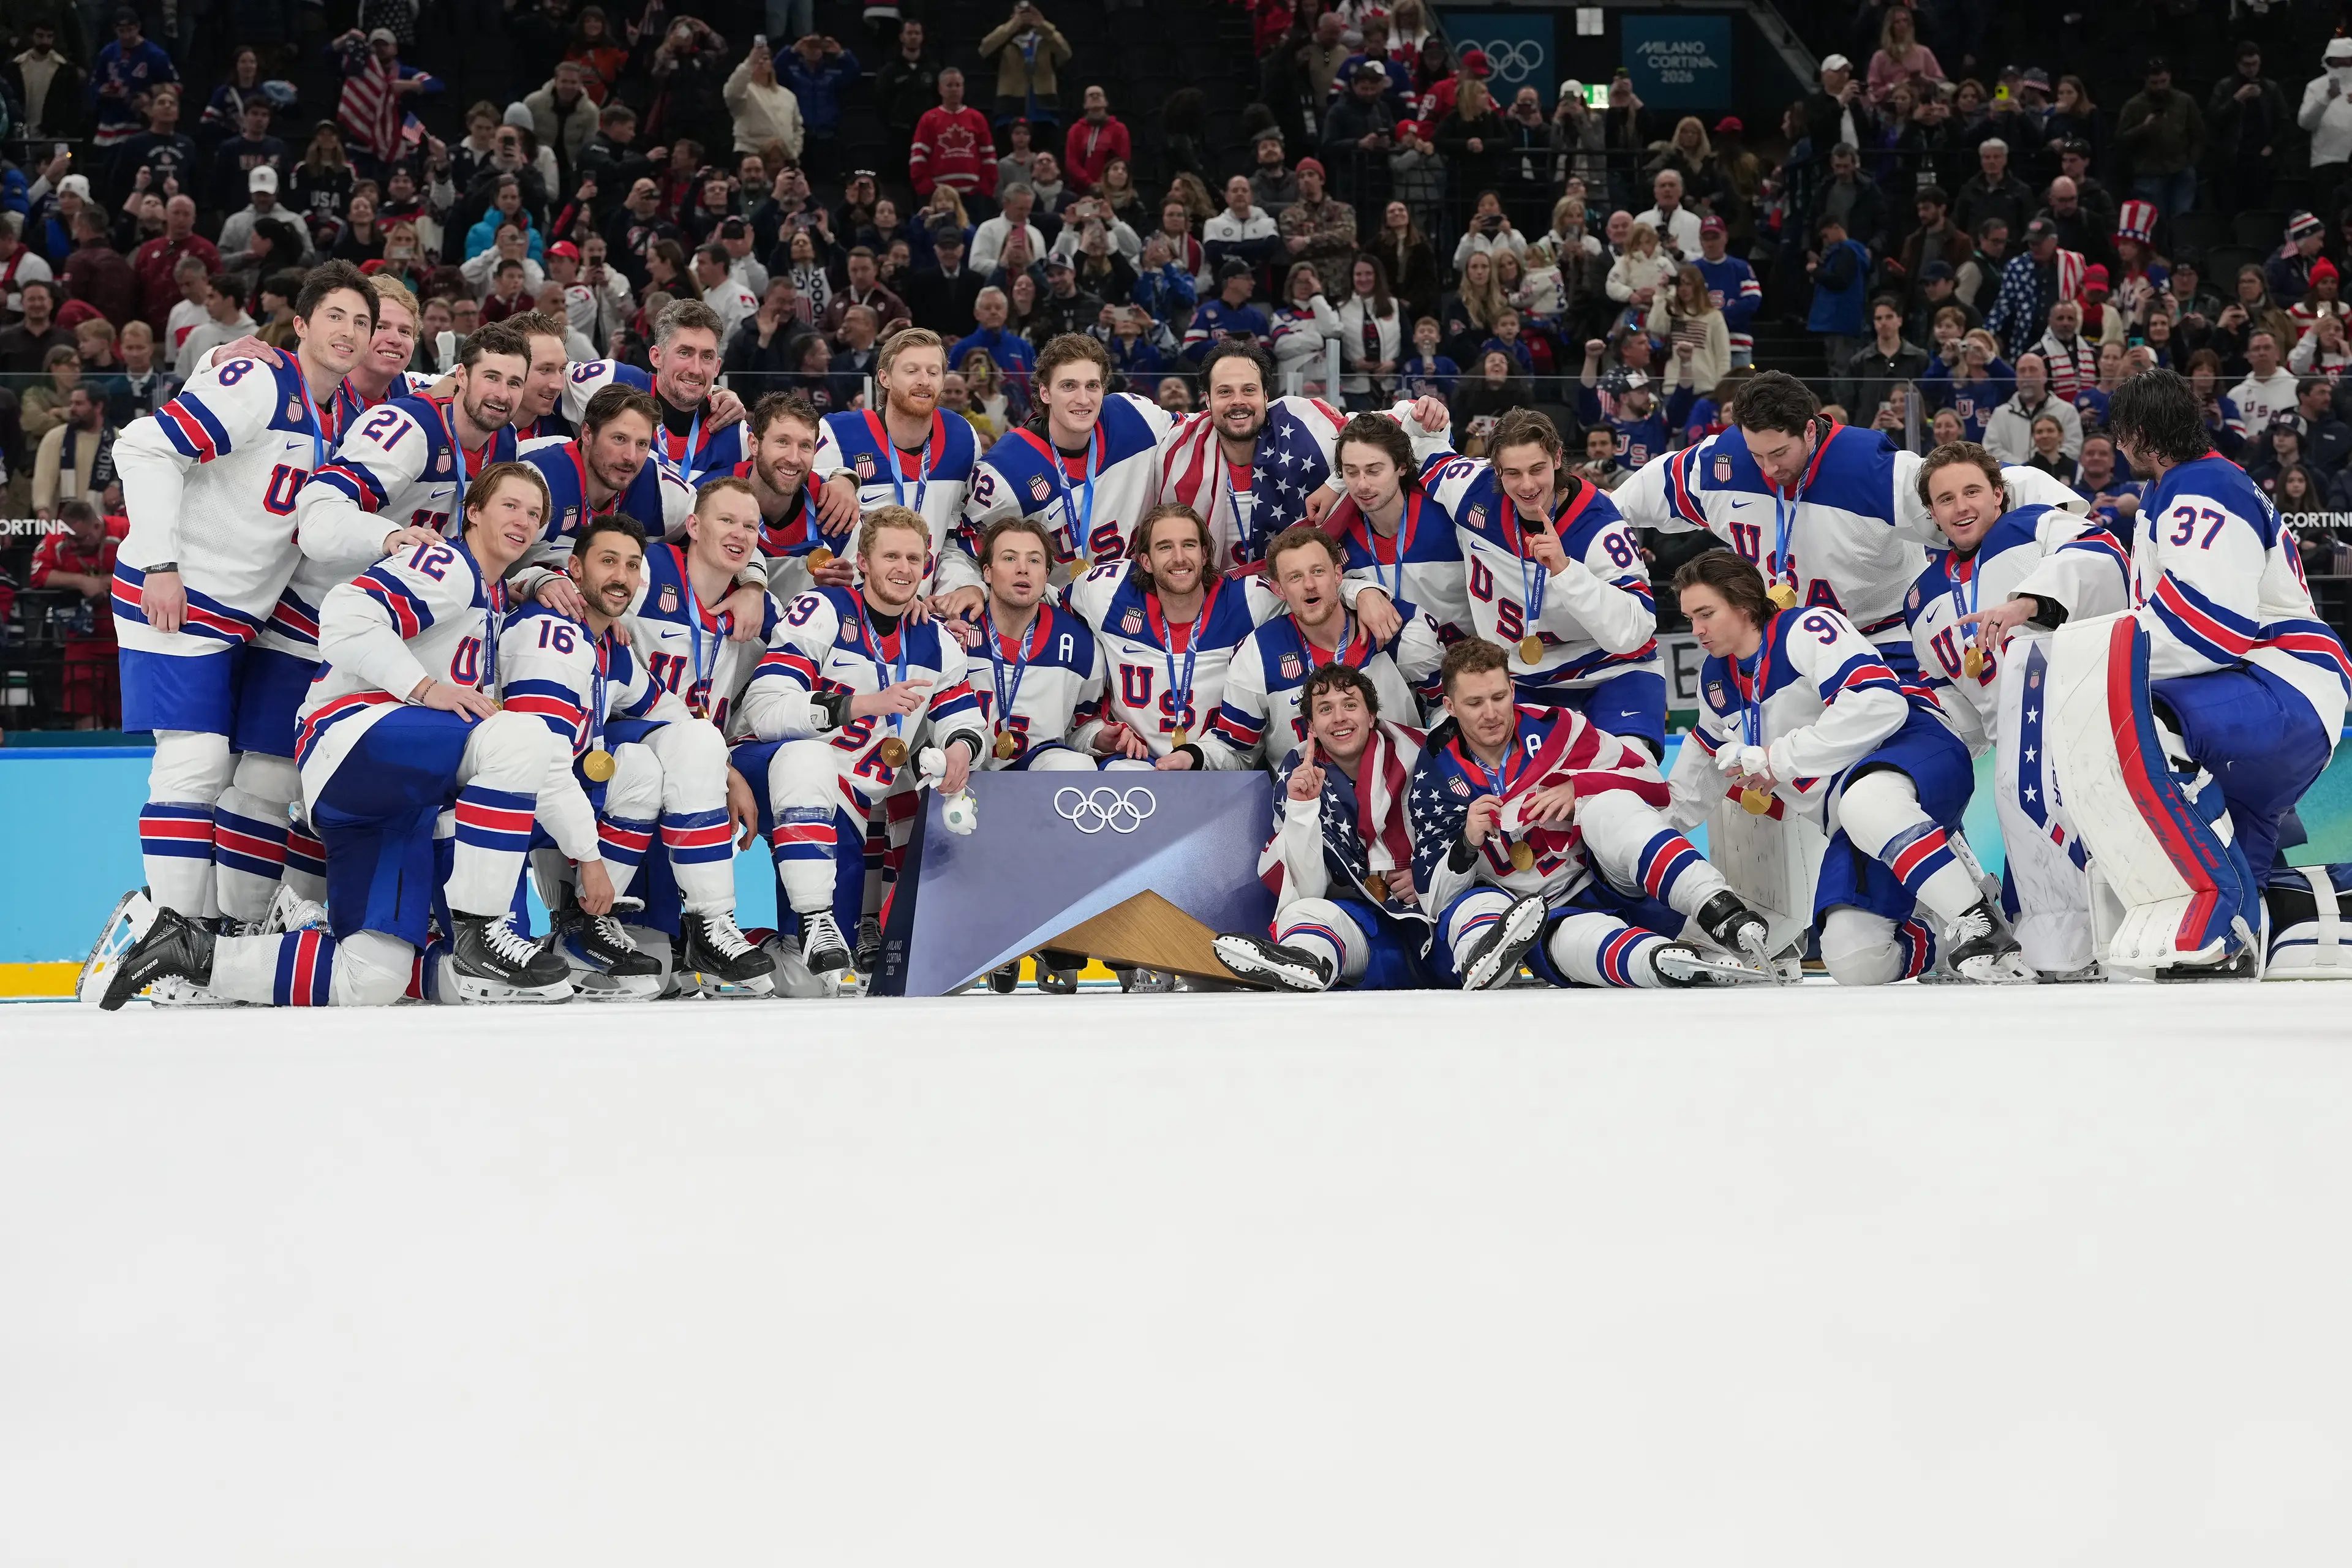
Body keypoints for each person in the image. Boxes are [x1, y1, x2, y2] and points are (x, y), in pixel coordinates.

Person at [97, 463, 578, 1010]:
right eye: (510, 505)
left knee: (373, 976)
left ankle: (187, 953)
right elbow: (345, 616)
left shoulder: (492, 599)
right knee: (518, 736)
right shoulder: (447, 563)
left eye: (534, 513)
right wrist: (425, 688)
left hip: (391, 796)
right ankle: (480, 930)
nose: (523, 520)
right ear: (472, 511)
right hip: (354, 737)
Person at [2032, 369, 2351, 975]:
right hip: (2270, 693)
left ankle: (2213, 909)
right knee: (2249, 922)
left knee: (2141, 723)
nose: (2118, 448)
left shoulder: (2199, 485)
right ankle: (2244, 922)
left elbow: (2210, 624)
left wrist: (2103, 661)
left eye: (2120, 435)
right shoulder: (2182, 486)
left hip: (2277, 685)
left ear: (2142, 434)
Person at [110, 262, 375, 949]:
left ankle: (205, 936)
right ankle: (174, 940)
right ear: (301, 324)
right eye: (336, 316)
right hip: (179, 591)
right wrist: (161, 563)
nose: (349, 332)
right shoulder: (259, 379)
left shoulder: (345, 411)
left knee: (234, 777)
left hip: (244, 617)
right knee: (193, 764)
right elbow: (143, 445)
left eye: (362, 322)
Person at [1668, 550, 2029, 984]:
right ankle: (1947, 939)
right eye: (1690, 617)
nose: (1696, 630)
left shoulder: (1803, 628)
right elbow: (1693, 781)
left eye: (1706, 613)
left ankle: (1981, 926)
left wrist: (1776, 758)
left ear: (1743, 603)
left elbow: (1880, 705)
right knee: (1854, 959)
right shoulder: (1715, 683)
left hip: (1914, 746)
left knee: (1866, 802)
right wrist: (1642, 837)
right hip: (1847, 816)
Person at [1614, 369, 2082, 682]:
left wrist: (2062, 513)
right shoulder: (1722, 462)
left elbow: (1974, 487)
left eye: (1780, 454)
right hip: (1791, 642)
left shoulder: (1870, 470)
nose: (1769, 469)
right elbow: (1635, 498)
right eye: (1757, 454)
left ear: (1811, 430)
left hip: (1885, 639)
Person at [501, 508, 775, 998]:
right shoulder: (551, 631)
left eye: (631, 565)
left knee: (693, 742)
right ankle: (583, 920)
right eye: (608, 561)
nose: (621, 576)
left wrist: (725, 768)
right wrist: (591, 862)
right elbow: (537, 768)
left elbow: (670, 711)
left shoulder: (610, 644)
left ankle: (708, 924)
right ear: (575, 570)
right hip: (498, 809)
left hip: (554, 797)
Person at [1404, 636, 1776, 991]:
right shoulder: (1434, 776)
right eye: (1474, 703)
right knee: (1499, 914)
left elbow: (1651, 786)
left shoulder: (1559, 729)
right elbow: (1435, 901)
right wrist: (1467, 843)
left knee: (1609, 805)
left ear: (1513, 690)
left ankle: (1720, 910)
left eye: (1499, 697)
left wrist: (1580, 786)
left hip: (1601, 881)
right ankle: (1663, 963)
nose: (1491, 714)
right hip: (1527, 919)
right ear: (1450, 707)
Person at [732, 504, 990, 976]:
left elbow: (965, 718)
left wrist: (960, 747)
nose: (904, 568)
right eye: (891, 556)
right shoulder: (823, 609)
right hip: (766, 773)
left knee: (819, 982)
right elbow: (765, 711)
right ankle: (797, 922)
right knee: (809, 758)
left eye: (914, 559)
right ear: (865, 563)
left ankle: (778, 946)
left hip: (845, 805)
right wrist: (860, 705)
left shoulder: (935, 640)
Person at [1905, 441, 2132, 976]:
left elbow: (2104, 555)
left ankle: (2112, 939)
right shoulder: (1921, 598)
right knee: (2030, 846)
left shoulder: (2034, 525)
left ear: (1999, 494)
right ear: (1932, 514)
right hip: (2014, 751)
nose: (1961, 508)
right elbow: (1948, 693)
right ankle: (2054, 947)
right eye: (1945, 499)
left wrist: (2030, 602)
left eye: (1972, 492)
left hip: (2082, 723)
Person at [1405, 408, 1663, 752]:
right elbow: (1421, 443)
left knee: (1626, 777)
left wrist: (1565, 570)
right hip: (1519, 677)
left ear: (1557, 458)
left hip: (1609, 671)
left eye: (1537, 469)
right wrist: (1419, 411)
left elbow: (1636, 627)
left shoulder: (1600, 527)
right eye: (1512, 473)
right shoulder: (1470, 490)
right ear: (1495, 469)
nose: (1527, 486)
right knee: (1508, 790)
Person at [1210, 663, 1441, 991]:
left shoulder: (1424, 753)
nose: (1339, 718)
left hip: (1436, 919)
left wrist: (1428, 873)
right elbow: (1306, 888)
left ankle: (1485, 948)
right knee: (1302, 914)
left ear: (1372, 716)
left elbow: (1462, 831)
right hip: (1369, 937)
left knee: (1473, 906)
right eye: (1325, 709)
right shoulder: (1297, 776)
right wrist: (1302, 808)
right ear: (1312, 727)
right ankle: (1304, 965)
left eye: (1350, 705)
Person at [1064, 501, 1278, 768]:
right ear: (1146, 561)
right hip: (1133, 762)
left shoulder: (1250, 601)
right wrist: (1095, 733)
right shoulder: (1108, 593)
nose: (1179, 557)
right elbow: (1047, 603)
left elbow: (1312, 604)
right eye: (1165, 547)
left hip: (1218, 768)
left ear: (1204, 554)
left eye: (1189, 545)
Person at [962, 333, 1174, 567]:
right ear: (1045, 393)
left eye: (1092, 386)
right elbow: (963, 548)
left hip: (1132, 595)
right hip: (1051, 601)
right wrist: (968, 585)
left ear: (1104, 390)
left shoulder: (1137, 418)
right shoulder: (1006, 471)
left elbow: (1197, 435)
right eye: (1069, 386)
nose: (1083, 399)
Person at [560, 298, 748, 485]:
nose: (696, 369)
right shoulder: (610, 379)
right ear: (657, 357)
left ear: (717, 368)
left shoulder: (736, 436)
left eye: (707, 357)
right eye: (685, 353)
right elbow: (540, 376)